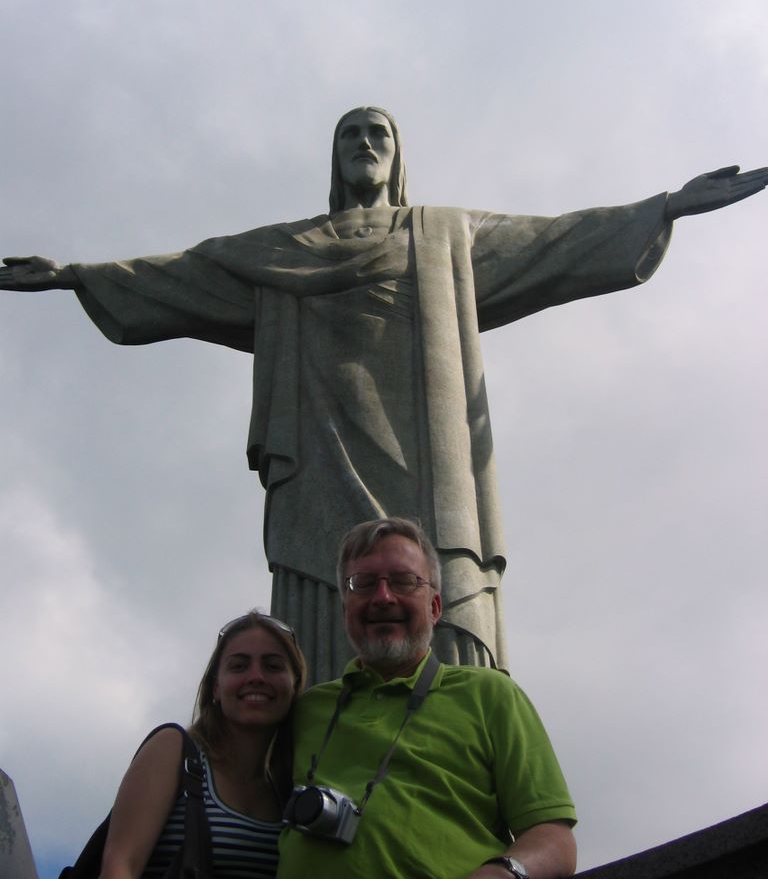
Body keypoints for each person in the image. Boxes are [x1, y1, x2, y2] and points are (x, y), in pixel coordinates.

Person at [1, 109, 766, 683]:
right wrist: (74, 275)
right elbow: (184, 275)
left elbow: (557, 241)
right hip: (320, 463)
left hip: (431, 467)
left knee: (448, 608)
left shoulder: (444, 235)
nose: (365, 145)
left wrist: (663, 206)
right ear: (333, 159)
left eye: (379, 135)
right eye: (351, 135)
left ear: (398, 158)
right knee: (325, 608)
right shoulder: (280, 252)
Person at [278, 517, 577, 879]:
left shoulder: (490, 695)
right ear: (345, 610)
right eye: (364, 584)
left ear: (435, 608)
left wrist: (503, 873)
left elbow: (554, 839)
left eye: (404, 582)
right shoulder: (305, 710)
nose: (383, 597)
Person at [97, 610, 306, 879]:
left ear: (295, 685)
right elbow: (120, 867)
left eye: (273, 666)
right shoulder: (174, 750)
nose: (256, 676)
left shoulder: (287, 791)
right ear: (216, 688)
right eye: (239, 666)